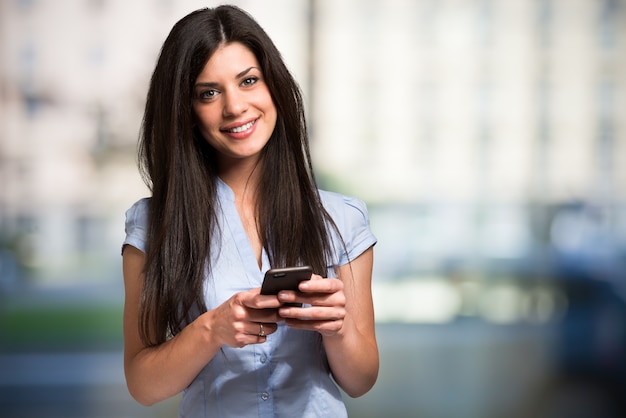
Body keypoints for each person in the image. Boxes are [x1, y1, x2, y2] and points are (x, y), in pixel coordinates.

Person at [121, 5, 378, 417]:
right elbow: (143, 385)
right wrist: (212, 329)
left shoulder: (342, 218)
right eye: (209, 92)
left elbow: (361, 379)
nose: (235, 107)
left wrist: (338, 327)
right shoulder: (153, 225)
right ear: (185, 111)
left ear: (273, 85)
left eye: (248, 81)